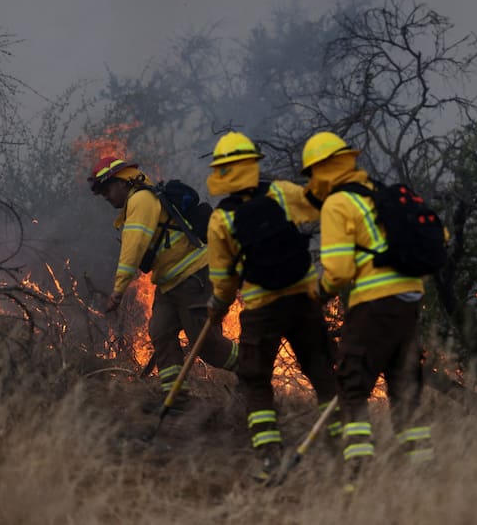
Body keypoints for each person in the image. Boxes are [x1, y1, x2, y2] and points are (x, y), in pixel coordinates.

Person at [301, 131, 434, 491]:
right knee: (404, 387)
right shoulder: (380, 195)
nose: (311, 182)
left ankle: (357, 478)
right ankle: (422, 479)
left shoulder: (338, 204)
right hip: (408, 303)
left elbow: (340, 271)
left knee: (352, 382)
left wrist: (315, 295)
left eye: (312, 173)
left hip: (374, 305)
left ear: (324, 169)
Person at [204, 131, 339, 481]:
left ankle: (269, 457)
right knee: (322, 371)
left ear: (221, 173)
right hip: (304, 299)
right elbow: (316, 206)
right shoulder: (280, 192)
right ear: (253, 164)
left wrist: (217, 305)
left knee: (256, 381)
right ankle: (344, 442)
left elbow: (224, 279)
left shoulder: (222, 220)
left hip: (262, 308)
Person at [88, 156, 239, 410]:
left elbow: (133, 247)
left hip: (193, 277)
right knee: (160, 332)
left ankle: (254, 369)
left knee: (208, 346)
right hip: (170, 284)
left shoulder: (141, 200)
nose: (105, 196)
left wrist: (118, 290)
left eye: (106, 188)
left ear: (123, 182)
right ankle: (177, 399)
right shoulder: (138, 202)